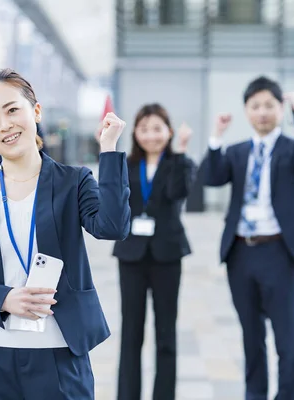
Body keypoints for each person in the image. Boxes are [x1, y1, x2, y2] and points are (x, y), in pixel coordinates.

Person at [0, 67, 130, 399]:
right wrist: (3, 298)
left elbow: (112, 226)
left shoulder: (74, 181)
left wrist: (109, 150)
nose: (5, 125)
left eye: (12, 110)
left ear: (35, 111)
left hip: (58, 354)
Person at [200, 76, 294, 400]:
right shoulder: (238, 151)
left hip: (279, 253)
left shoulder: (291, 148)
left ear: (280, 109)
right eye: (255, 106)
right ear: (246, 111)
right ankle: (254, 394)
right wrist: (216, 137)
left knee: (286, 337)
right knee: (251, 336)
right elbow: (210, 177)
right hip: (241, 253)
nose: (262, 112)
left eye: (270, 105)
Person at [111, 103, 195, 400]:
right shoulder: (127, 164)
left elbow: (178, 193)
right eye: (144, 129)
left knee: (165, 334)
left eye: (157, 128)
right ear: (135, 132)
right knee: (131, 334)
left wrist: (182, 150)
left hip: (167, 255)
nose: (151, 135)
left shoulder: (179, 163)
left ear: (169, 132)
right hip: (131, 255)